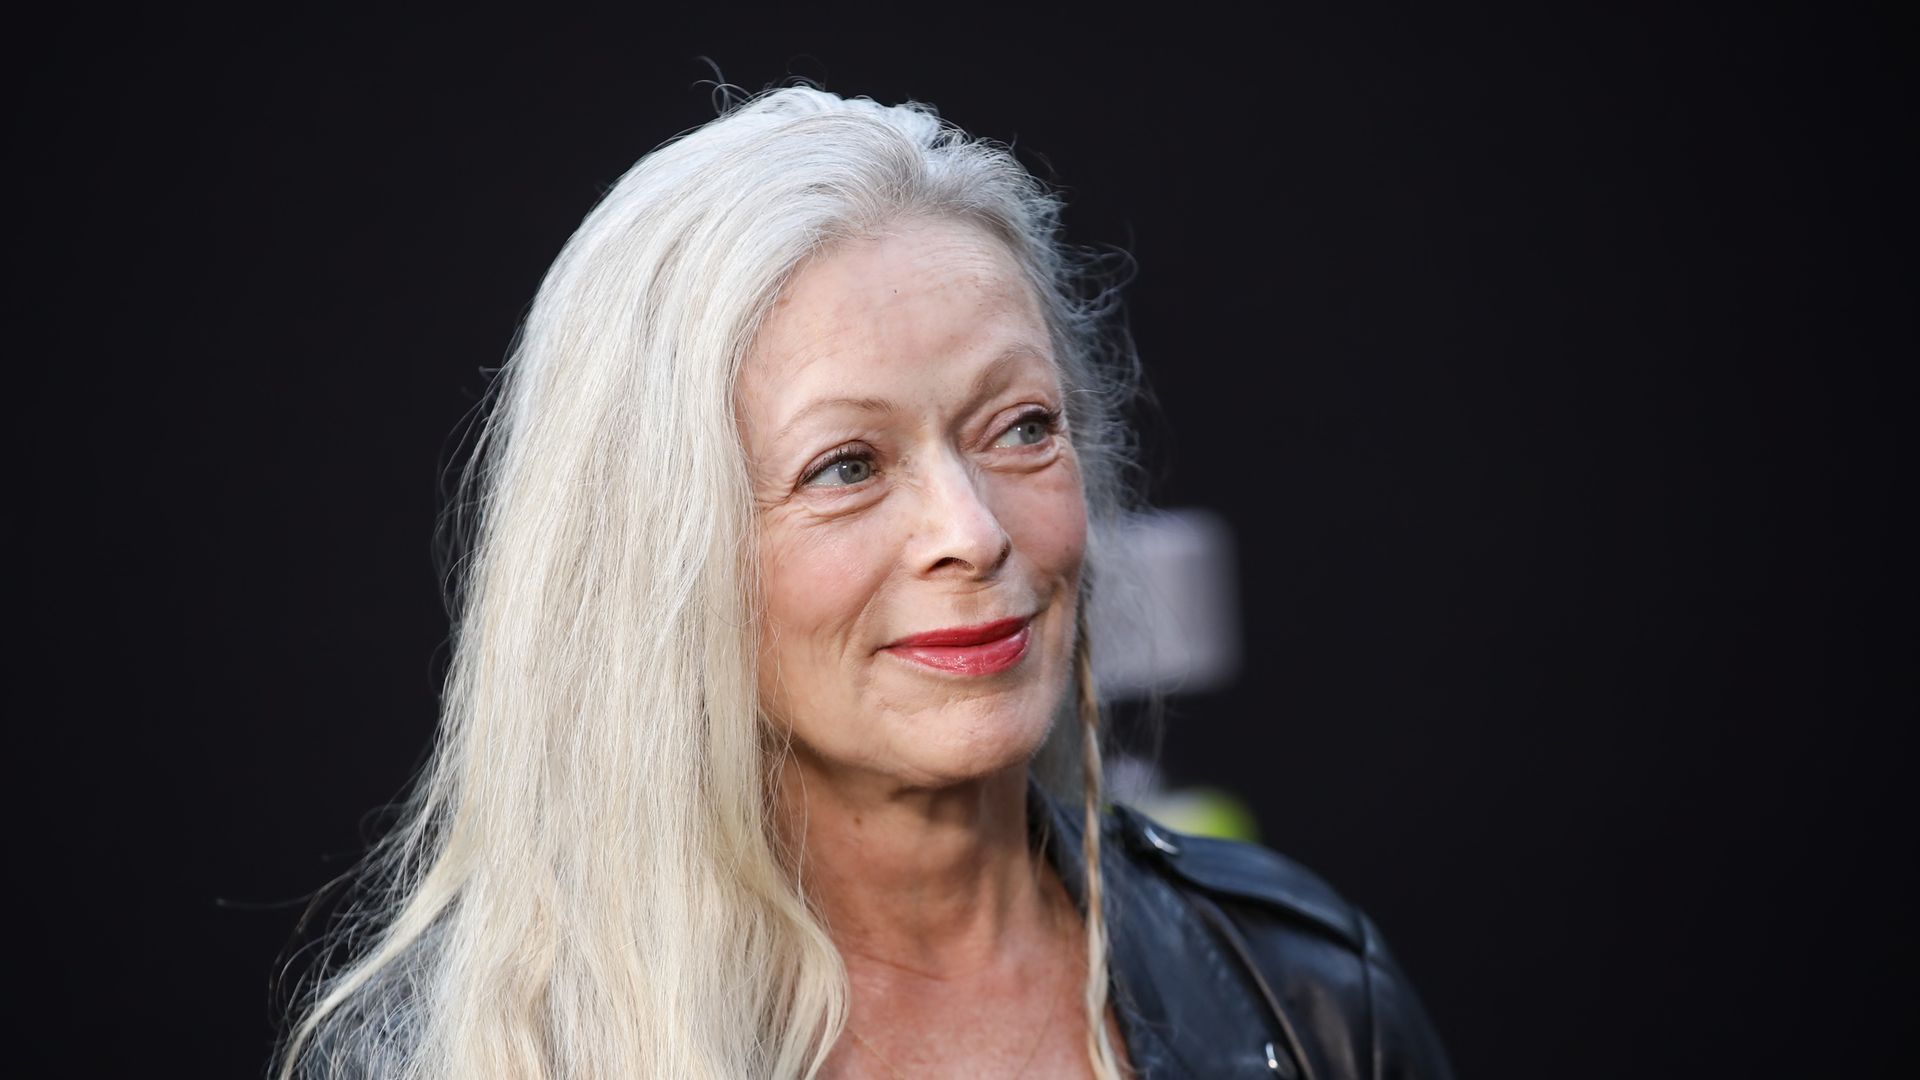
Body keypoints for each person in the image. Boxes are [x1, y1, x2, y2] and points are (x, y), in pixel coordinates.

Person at [277, 85, 1453, 1079]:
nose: (972, 531)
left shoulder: (1300, 995)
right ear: (654, 557)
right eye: (846, 465)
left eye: (1021, 427)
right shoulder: (479, 1055)